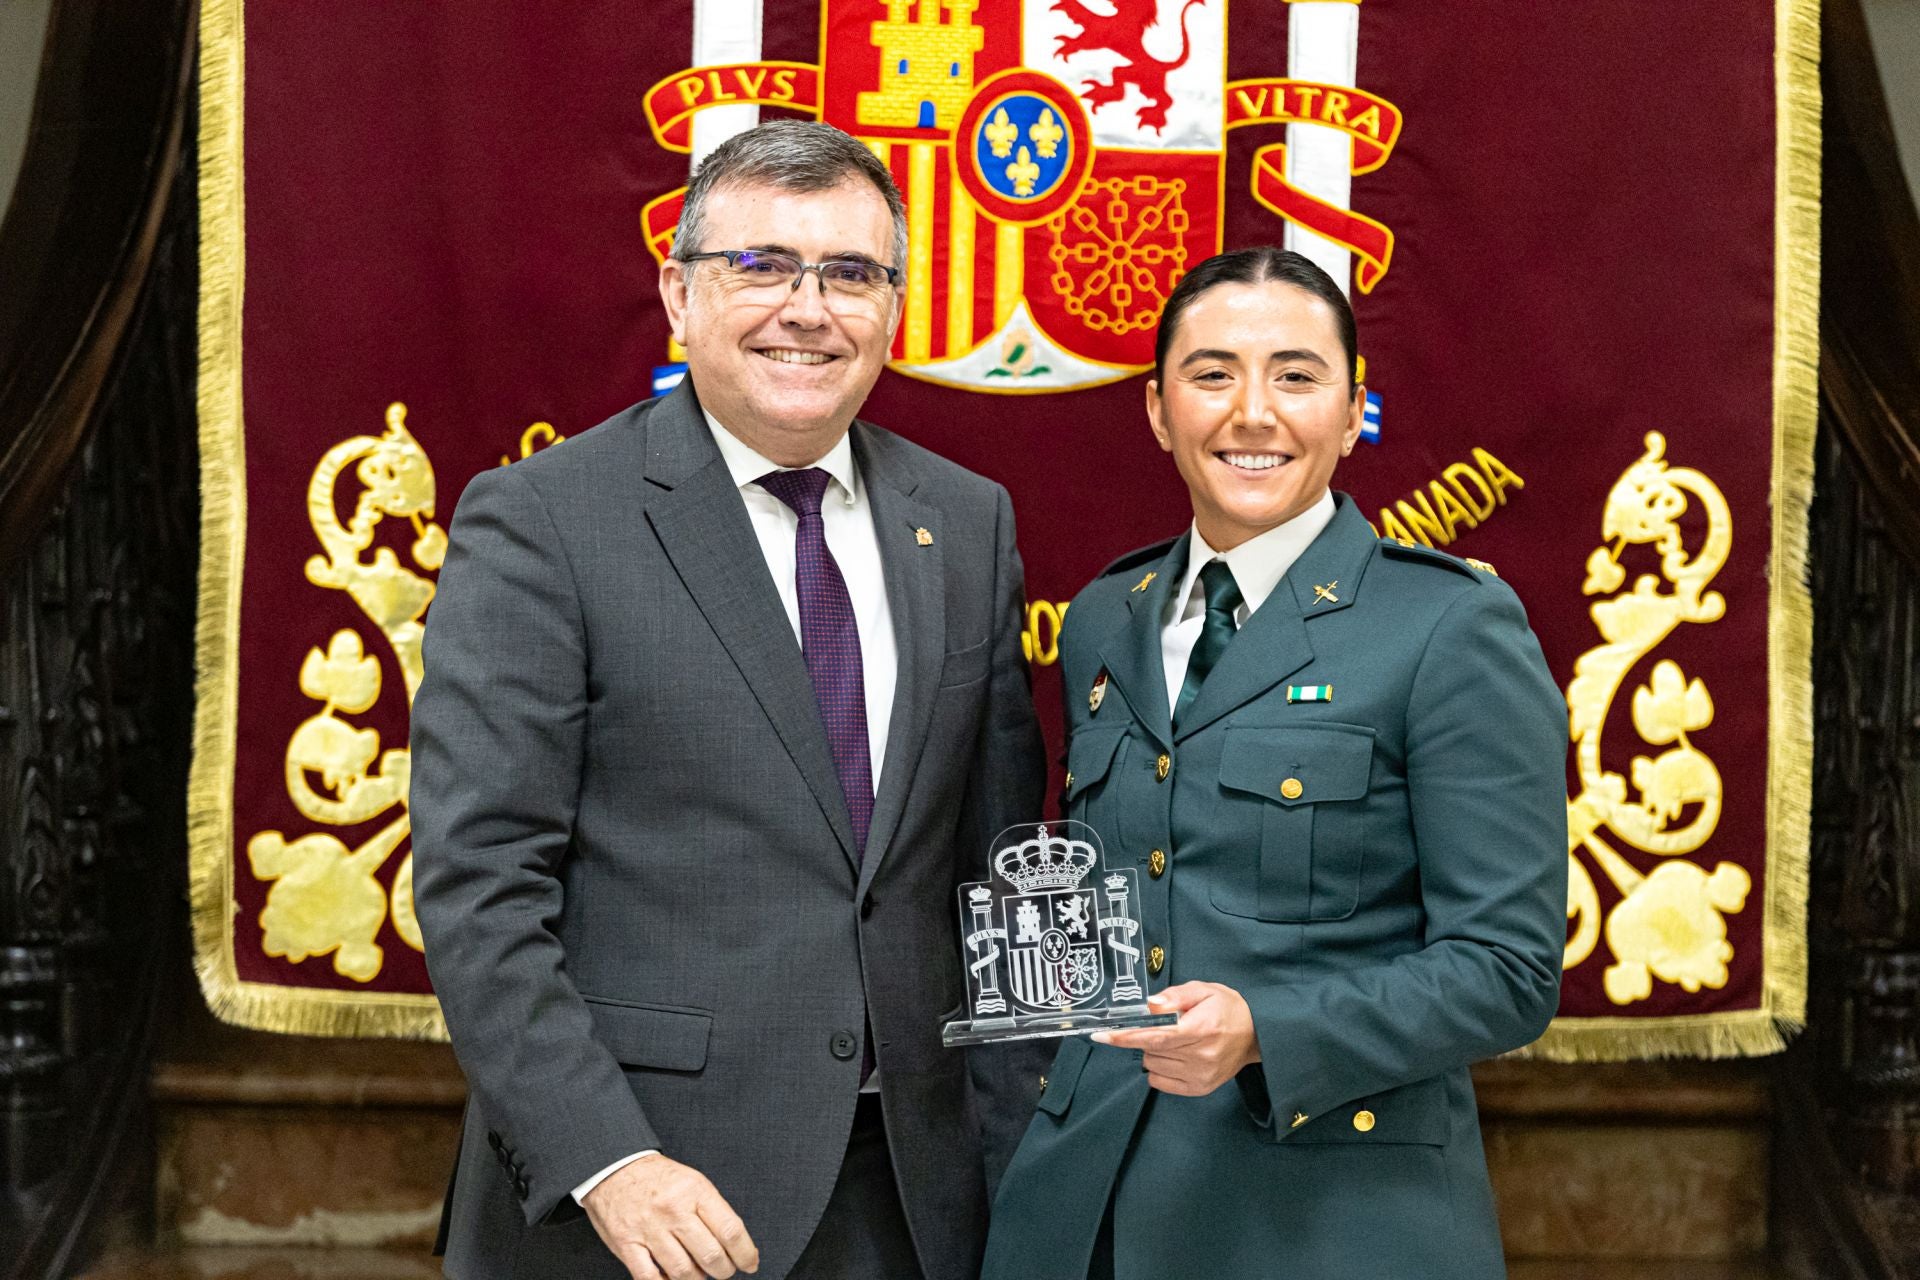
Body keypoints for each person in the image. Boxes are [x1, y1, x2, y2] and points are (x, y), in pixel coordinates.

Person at [410, 119, 1045, 1280]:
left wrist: (1010, 1155)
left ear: (895, 307)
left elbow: (988, 873)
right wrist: (608, 1159)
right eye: (761, 265)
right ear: (678, 292)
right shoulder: (545, 520)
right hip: (638, 1198)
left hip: (912, 1195)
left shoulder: (965, 521)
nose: (809, 308)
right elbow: (478, 882)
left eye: (851, 273)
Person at [980, 246, 1568, 1280]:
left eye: (1296, 376)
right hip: (1083, 1212)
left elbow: (1508, 972)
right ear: (1159, 410)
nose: (1253, 412)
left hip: (1324, 1216)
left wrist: (1264, 1031)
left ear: (1351, 413)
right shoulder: (1101, 619)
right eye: (1212, 374)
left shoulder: (1447, 626)